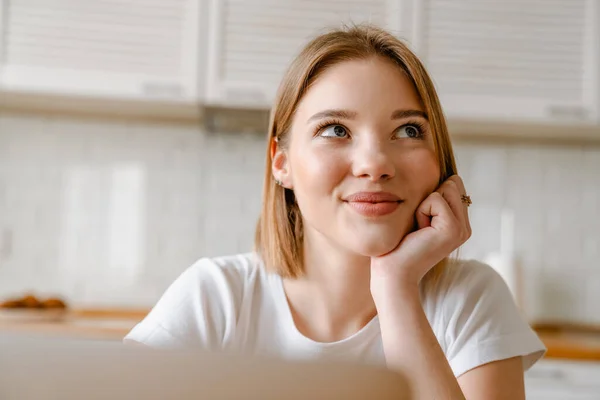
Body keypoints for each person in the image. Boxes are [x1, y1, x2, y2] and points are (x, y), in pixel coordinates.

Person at [125, 25, 546, 398]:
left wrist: (396, 288)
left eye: (408, 130)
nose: (375, 163)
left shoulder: (470, 298)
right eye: (335, 130)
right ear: (281, 162)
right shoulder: (216, 297)